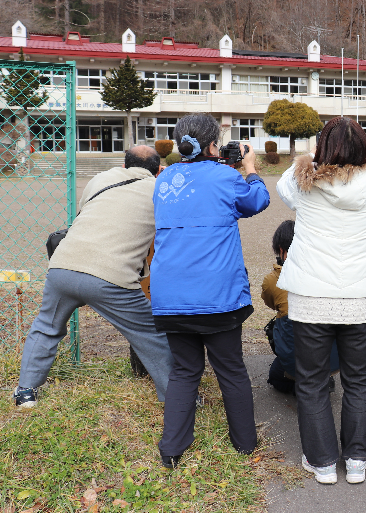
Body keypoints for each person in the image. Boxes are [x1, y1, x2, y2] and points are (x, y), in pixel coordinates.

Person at [276, 116, 366, 485]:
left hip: (311, 294)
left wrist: (314, 155)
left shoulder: (300, 182)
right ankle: (357, 460)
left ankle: (323, 462)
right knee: (359, 378)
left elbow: (282, 185)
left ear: (322, 147)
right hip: (359, 294)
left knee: (311, 380)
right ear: (364, 148)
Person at [150, 113, 270, 468]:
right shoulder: (226, 177)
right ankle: (245, 444)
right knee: (230, 368)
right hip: (218, 296)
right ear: (213, 144)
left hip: (170, 297)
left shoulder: (164, 179)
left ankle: (171, 449)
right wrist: (249, 167)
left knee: (185, 371)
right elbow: (257, 201)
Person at [14, 146, 172, 408]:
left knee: (46, 325)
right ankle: (176, 396)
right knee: (150, 334)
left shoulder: (101, 179)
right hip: (111, 277)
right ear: (157, 170)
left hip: (62, 266)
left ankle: (25, 393)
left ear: (124, 166)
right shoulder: (159, 190)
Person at [262, 220, 339, 395]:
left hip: (297, 362)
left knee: (275, 376)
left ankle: (309, 387)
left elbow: (270, 302)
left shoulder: (273, 280)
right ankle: (323, 380)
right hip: (334, 360)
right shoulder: (327, 272)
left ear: (281, 250)